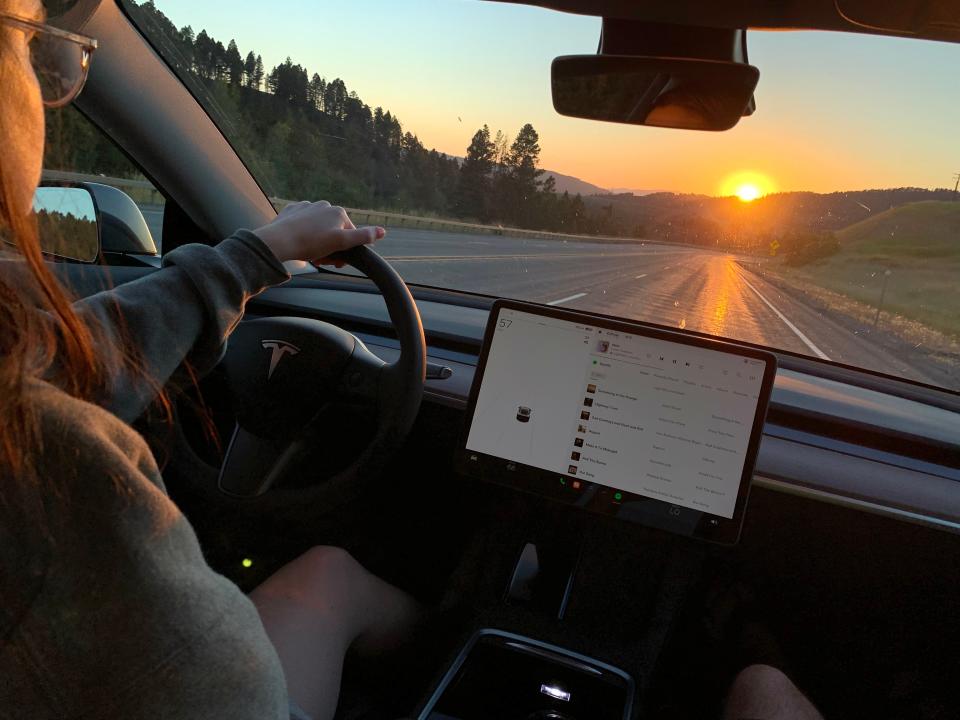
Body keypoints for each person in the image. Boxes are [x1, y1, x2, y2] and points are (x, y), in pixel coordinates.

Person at [0, 2, 417, 719]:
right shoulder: (51, 483)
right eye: (28, 40)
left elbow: (61, 365)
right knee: (331, 576)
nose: (44, 86)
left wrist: (255, 255)